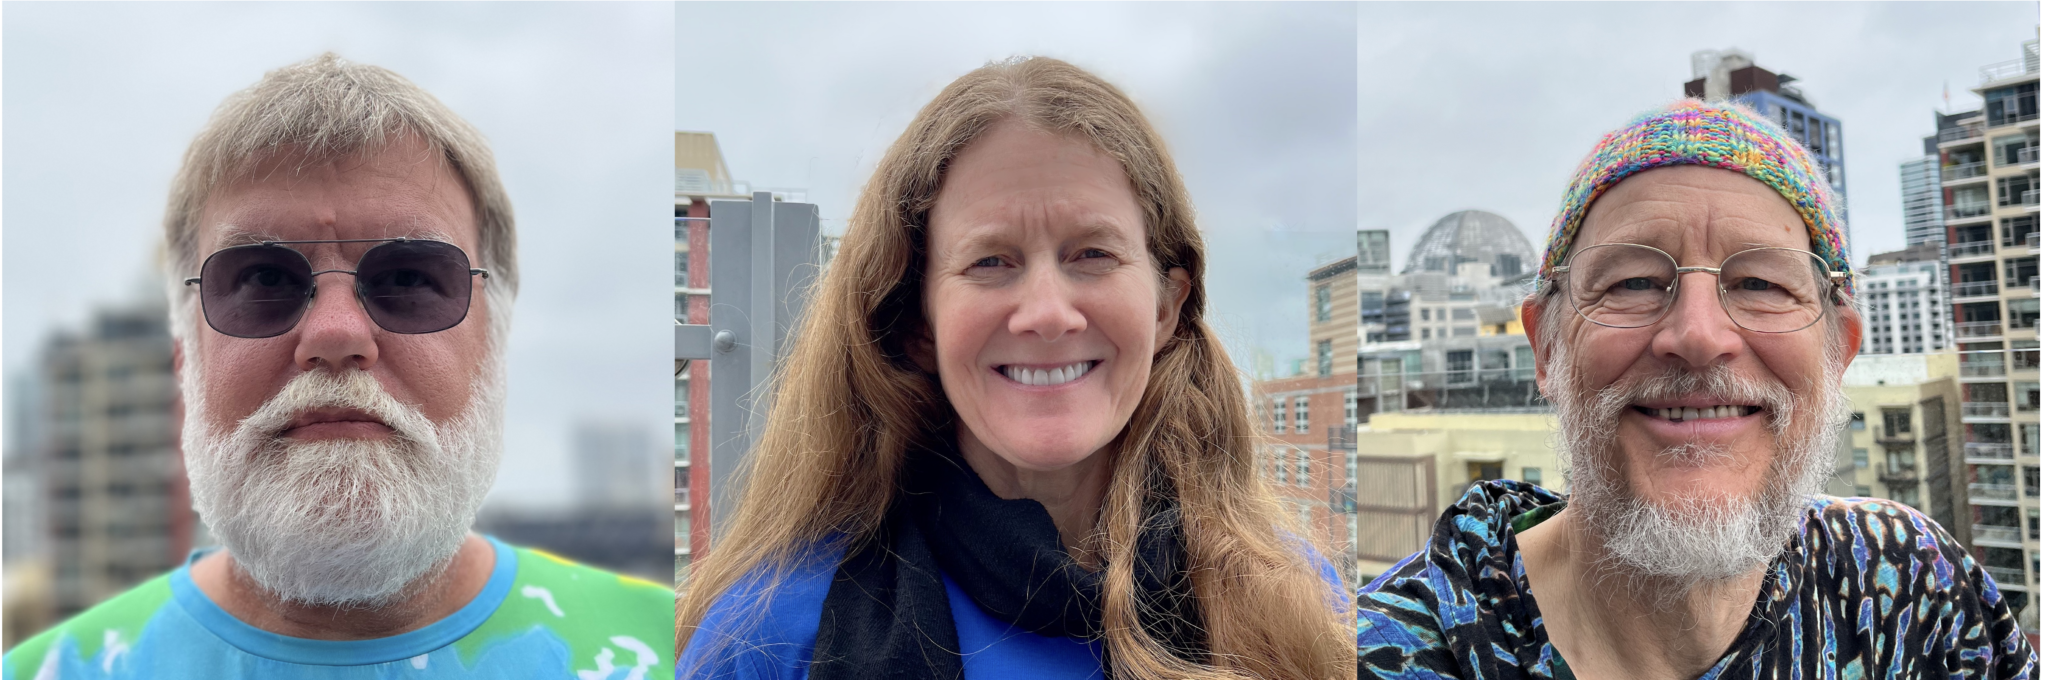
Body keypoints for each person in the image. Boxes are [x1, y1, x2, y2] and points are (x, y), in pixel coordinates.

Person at [674, 57, 1353, 680]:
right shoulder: (768, 636)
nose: (1048, 314)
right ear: (917, 324)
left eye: (1092, 253)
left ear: (1166, 306)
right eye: (990, 261)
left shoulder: (1289, 604)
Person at [0, 54, 672, 679]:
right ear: (185, 356)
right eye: (262, 277)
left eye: (409, 278)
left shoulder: (685, 648)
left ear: (493, 343)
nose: (335, 333)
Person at [1355, 99, 2040, 679]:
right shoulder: (1386, 650)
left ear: (1839, 354)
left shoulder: (1913, 589)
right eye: (1631, 282)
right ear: (1546, 345)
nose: (1699, 334)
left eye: (1762, 284)